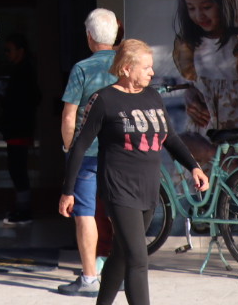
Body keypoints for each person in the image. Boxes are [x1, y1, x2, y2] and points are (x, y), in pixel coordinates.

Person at [59, 40, 207, 305]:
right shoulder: (104, 100)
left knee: (121, 254)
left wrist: (193, 166)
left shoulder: (152, 96)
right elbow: (79, 145)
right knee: (138, 260)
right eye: (146, 67)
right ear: (126, 68)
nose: (152, 72)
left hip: (148, 188)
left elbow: (171, 138)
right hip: (118, 189)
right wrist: (68, 191)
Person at [57, 7, 118, 296]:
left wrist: (69, 148)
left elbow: (69, 116)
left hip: (88, 152)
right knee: (120, 213)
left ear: (89, 36)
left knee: (85, 213)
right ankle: (119, 273)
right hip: (121, 154)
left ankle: (90, 278)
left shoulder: (82, 69)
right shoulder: (127, 66)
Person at [171, 0, 238, 162]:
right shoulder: (188, 44)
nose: (199, 15)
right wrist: (190, 97)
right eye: (191, 8)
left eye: (206, 7)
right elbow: (190, 84)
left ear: (224, 1)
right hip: (203, 131)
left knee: (235, 174)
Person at [0, 33, 40, 226]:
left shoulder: (24, 72)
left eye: (9, 50)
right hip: (18, 126)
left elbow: (26, 99)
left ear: (20, 51)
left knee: (17, 167)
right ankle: (22, 207)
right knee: (16, 167)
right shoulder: (22, 70)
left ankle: (24, 209)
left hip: (18, 126)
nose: (7, 54)